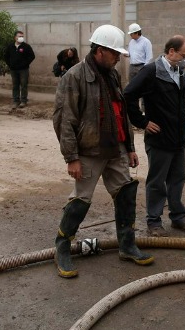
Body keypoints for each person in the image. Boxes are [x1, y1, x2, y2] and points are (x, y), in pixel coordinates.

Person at [52, 24, 154, 278]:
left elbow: (121, 115)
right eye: (114, 53)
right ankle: (62, 248)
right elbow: (65, 120)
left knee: (125, 194)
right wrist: (72, 157)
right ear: (99, 51)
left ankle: (127, 246)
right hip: (88, 152)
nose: (119, 57)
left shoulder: (112, 75)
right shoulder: (74, 77)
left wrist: (129, 147)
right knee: (80, 200)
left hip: (115, 149)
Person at [124, 35, 185, 237]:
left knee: (177, 179)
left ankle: (178, 217)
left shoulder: (181, 73)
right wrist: (143, 122)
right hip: (159, 139)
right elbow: (128, 95)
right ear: (171, 52)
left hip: (178, 139)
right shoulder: (151, 71)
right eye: (183, 56)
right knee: (157, 182)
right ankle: (154, 221)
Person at [4, 30, 35, 109]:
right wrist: (10, 64)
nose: (21, 38)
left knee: (23, 84)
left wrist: (25, 64)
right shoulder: (10, 46)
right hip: (13, 70)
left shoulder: (26, 46)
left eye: (22, 36)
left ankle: (23, 101)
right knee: (15, 85)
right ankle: (15, 101)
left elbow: (32, 56)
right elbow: (6, 56)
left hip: (23, 70)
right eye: (19, 36)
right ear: (15, 37)